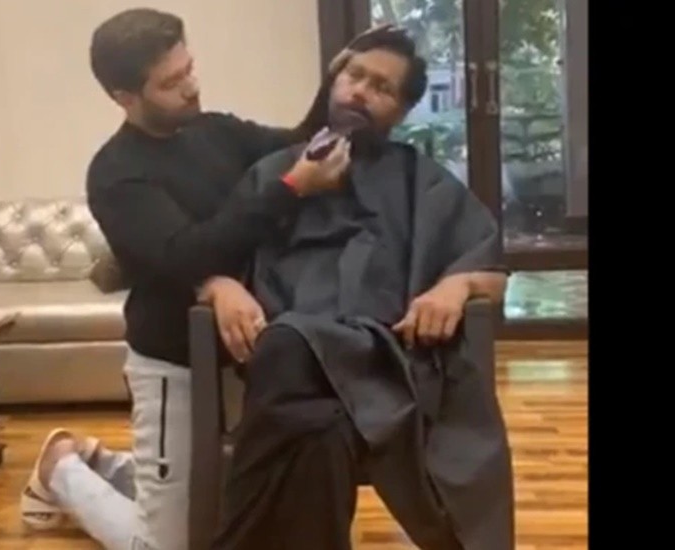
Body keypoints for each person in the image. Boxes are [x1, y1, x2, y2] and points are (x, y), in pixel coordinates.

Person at [18, 7, 354, 550]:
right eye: (171, 82)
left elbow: (295, 142)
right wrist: (289, 190)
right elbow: (183, 253)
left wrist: (337, 85)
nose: (191, 86)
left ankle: (112, 465)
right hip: (171, 363)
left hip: (244, 351)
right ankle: (62, 469)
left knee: (228, 499)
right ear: (125, 97)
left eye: (189, 68)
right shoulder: (116, 174)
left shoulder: (214, 130)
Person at [201, 24, 516, 550]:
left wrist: (458, 286)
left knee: (288, 343)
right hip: (284, 355)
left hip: (382, 358)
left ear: (402, 110)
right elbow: (210, 250)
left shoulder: (422, 181)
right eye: (354, 75)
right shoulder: (276, 171)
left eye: (382, 87)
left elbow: (493, 271)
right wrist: (218, 285)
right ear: (335, 79)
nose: (360, 92)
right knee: (325, 437)